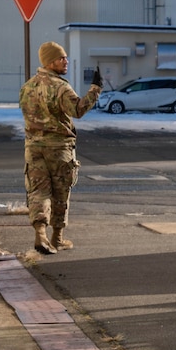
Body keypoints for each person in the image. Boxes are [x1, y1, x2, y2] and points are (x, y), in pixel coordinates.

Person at [18, 42, 102, 254]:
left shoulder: (27, 87)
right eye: (61, 58)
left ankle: (40, 234)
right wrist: (95, 90)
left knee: (38, 191)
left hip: (33, 147)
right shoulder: (60, 87)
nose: (65, 61)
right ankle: (57, 237)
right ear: (49, 62)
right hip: (59, 148)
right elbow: (77, 110)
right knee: (60, 192)